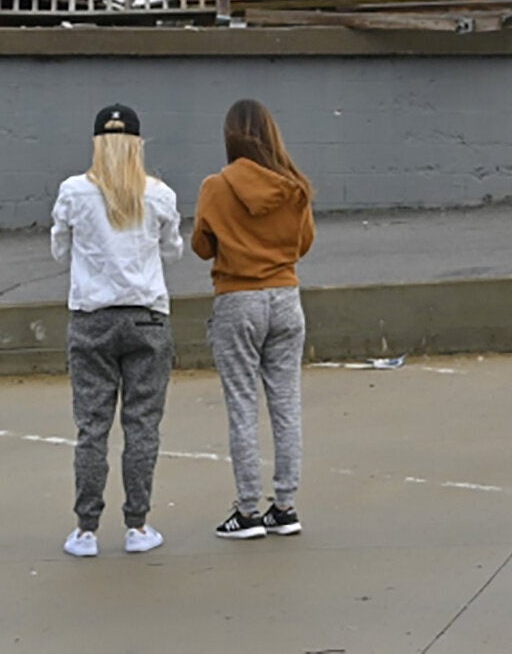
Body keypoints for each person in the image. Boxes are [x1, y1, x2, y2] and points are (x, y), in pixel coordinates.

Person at [51, 102, 183, 558]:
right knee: (142, 425)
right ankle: (137, 525)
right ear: (137, 145)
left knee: (92, 427)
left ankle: (86, 529)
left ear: (96, 144)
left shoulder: (73, 191)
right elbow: (172, 253)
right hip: (147, 316)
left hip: (92, 318)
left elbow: (58, 250)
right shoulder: (159, 194)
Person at [191, 98, 316, 540]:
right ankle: (284, 507)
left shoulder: (215, 187)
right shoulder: (295, 187)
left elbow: (202, 247)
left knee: (242, 406)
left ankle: (246, 511)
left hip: (237, 299)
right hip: (285, 298)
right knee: (286, 404)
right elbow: (303, 244)